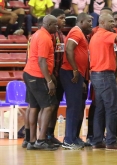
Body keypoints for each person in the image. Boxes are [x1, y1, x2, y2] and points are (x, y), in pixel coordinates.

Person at [89, 13, 117, 150]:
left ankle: (97, 140)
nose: (113, 24)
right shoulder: (104, 34)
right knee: (112, 108)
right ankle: (111, 141)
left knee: (100, 109)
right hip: (105, 75)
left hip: (97, 75)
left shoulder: (97, 35)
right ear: (102, 22)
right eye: (111, 21)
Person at [23, 15, 58, 151]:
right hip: (37, 75)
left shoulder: (37, 34)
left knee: (34, 107)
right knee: (49, 106)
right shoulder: (44, 38)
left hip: (29, 73)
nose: (57, 27)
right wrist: (49, 80)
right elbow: (42, 61)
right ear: (48, 24)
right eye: (54, 24)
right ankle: (41, 140)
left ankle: (31, 141)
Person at [60, 13, 92, 150]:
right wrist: (74, 69)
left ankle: (74, 137)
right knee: (73, 107)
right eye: (89, 21)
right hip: (70, 72)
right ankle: (68, 140)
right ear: (81, 21)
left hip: (77, 74)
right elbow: (69, 49)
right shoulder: (76, 32)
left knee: (78, 106)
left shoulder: (80, 34)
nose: (91, 23)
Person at [47, 9, 66, 146]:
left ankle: (50, 134)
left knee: (56, 105)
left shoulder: (62, 36)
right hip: (51, 76)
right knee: (49, 106)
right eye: (61, 18)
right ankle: (44, 135)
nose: (64, 20)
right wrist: (51, 75)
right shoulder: (50, 36)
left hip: (60, 76)